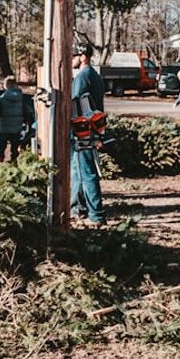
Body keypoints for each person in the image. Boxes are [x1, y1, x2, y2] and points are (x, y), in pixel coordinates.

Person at [71, 42, 107, 225]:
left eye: (74, 56)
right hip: (92, 129)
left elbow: (74, 102)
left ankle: (96, 214)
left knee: (86, 172)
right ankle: (77, 208)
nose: (72, 60)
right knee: (78, 171)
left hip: (83, 131)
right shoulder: (94, 75)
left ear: (83, 56)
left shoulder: (82, 77)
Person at [0, 75, 34, 162]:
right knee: (14, 148)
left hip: (4, 128)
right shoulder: (21, 98)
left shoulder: (1, 99)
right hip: (17, 128)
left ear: (5, 86)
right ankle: (14, 162)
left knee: (1, 148)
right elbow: (27, 113)